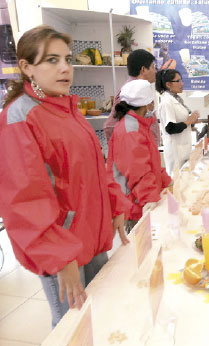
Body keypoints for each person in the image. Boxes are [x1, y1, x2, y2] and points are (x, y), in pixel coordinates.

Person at [0, 25, 130, 327]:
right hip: (61, 245)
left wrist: (115, 206)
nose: (65, 68)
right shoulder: (20, 116)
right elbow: (25, 199)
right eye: (52, 60)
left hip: (92, 232)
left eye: (68, 59)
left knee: (102, 312)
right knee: (73, 326)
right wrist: (60, 258)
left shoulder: (67, 108)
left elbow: (96, 165)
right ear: (26, 67)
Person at [107, 79, 172, 231]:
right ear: (147, 104)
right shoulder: (130, 131)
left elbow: (151, 163)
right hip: (135, 205)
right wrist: (150, 198)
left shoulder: (139, 125)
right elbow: (138, 173)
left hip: (141, 199)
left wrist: (167, 181)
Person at [104, 49, 160, 146]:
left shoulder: (142, 89)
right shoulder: (129, 92)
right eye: (153, 67)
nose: (155, 71)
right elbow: (110, 126)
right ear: (143, 69)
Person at [156, 69, 199, 176]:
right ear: (168, 84)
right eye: (178, 81)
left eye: (181, 80)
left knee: (184, 177)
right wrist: (189, 121)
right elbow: (170, 128)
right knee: (177, 181)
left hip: (183, 147)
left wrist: (192, 121)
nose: (182, 83)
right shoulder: (167, 102)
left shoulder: (176, 99)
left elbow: (182, 122)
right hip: (175, 150)